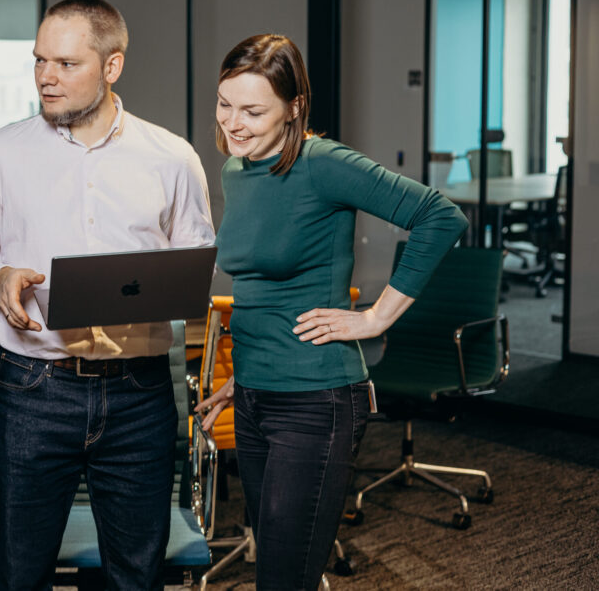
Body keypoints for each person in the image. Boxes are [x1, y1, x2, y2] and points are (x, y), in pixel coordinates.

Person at [0, 0, 215, 590]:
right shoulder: (2, 151)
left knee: (136, 577)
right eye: (40, 60)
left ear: (111, 67)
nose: (46, 76)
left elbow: (196, 265)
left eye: (65, 64)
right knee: (19, 575)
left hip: (139, 394)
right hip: (34, 387)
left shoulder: (171, 158)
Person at [196, 34, 468, 590]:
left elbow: (439, 216)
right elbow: (259, 289)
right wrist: (238, 378)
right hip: (252, 397)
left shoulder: (323, 164)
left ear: (294, 107)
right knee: (269, 559)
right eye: (225, 104)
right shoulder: (237, 171)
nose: (233, 123)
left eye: (253, 110)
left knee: (284, 577)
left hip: (314, 400)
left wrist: (375, 318)